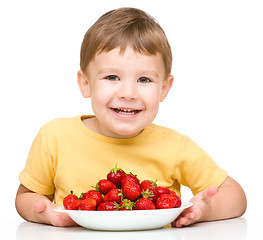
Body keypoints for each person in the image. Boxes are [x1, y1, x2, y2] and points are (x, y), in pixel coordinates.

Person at [15, 7, 247, 228]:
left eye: (144, 80)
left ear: (164, 89)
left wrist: (205, 211)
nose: (128, 93)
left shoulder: (175, 146)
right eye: (112, 77)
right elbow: (26, 196)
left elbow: (236, 197)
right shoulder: (55, 136)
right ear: (85, 84)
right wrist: (45, 214)